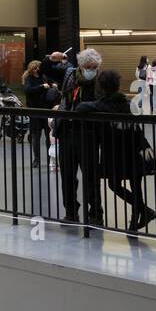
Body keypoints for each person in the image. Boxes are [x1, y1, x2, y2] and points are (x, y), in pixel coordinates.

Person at [75, 70, 155, 232]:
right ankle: (136, 221)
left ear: (102, 87)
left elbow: (80, 107)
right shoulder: (127, 102)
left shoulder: (102, 105)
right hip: (135, 149)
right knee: (136, 185)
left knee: (114, 184)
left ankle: (145, 210)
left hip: (116, 153)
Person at [56, 47, 104, 225]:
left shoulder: (101, 79)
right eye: (88, 66)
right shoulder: (70, 74)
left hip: (89, 133)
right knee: (67, 175)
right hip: (67, 131)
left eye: (94, 67)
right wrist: (52, 59)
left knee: (91, 176)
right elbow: (47, 69)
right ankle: (70, 211)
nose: (92, 70)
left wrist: (87, 108)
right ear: (82, 65)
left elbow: (105, 102)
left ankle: (96, 213)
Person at [21, 60, 59, 167]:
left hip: (46, 110)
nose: (38, 69)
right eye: (37, 67)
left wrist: (53, 86)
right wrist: (42, 86)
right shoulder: (29, 78)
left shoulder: (44, 77)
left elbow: (53, 84)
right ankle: (36, 159)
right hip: (35, 111)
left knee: (49, 136)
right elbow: (28, 90)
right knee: (36, 137)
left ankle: (49, 159)